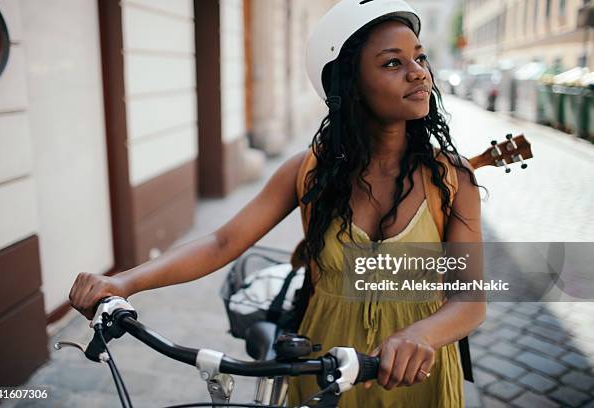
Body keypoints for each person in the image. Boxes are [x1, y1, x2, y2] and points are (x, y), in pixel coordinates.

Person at [69, 1, 486, 406]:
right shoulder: (308, 172)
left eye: (420, 57)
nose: (419, 74)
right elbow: (221, 242)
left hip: (418, 379)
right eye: (393, 63)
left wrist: (423, 335)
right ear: (349, 84)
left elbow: (470, 300)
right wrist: (123, 283)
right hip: (319, 372)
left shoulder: (452, 177)